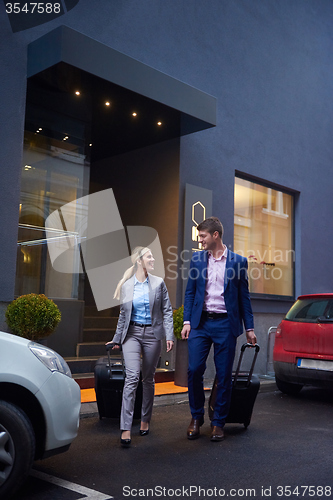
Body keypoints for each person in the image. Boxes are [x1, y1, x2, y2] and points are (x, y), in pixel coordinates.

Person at [181, 217, 256, 442]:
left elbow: (244, 297)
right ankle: (196, 417)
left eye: (203, 236)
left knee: (224, 376)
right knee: (194, 370)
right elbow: (190, 292)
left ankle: (218, 422)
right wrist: (186, 322)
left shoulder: (238, 262)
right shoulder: (196, 260)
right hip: (200, 323)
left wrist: (249, 327)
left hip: (225, 324)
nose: (200, 240)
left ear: (215, 235)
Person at [107, 246, 174, 447]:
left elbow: (167, 310)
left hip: (153, 335)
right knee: (132, 377)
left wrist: (169, 335)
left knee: (148, 378)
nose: (153, 259)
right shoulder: (127, 286)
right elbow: (123, 316)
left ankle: (145, 419)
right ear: (139, 261)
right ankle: (126, 428)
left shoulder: (159, 283)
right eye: (149, 256)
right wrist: (117, 339)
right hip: (132, 335)